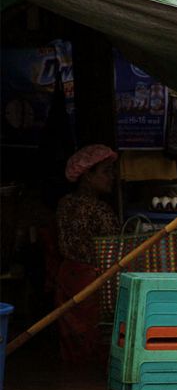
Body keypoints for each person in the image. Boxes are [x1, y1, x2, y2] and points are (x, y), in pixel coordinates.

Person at [54, 144, 120, 363]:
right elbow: (115, 249)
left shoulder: (64, 204)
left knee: (72, 340)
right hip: (91, 280)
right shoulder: (99, 210)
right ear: (87, 176)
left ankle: (73, 386)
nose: (111, 178)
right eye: (105, 172)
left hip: (66, 276)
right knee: (93, 337)